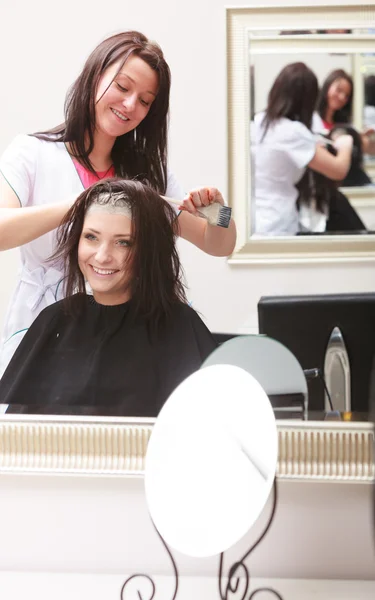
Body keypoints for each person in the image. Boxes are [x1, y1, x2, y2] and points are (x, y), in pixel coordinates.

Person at [0, 30, 236, 377]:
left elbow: (218, 244)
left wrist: (219, 209)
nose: (130, 106)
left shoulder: (148, 174)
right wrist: (82, 203)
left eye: (145, 100)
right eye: (123, 88)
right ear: (95, 77)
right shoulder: (32, 154)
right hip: (44, 334)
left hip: (128, 338)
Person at [0, 179, 217, 416]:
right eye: (91, 237)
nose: (102, 257)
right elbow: (17, 436)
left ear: (147, 251)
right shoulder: (54, 320)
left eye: (123, 242)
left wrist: (218, 210)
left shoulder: (179, 325)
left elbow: (210, 426)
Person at [251, 62, 353, 236]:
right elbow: (338, 170)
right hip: (278, 223)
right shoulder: (292, 132)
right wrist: (346, 142)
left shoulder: (258, 122)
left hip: (256, 218)